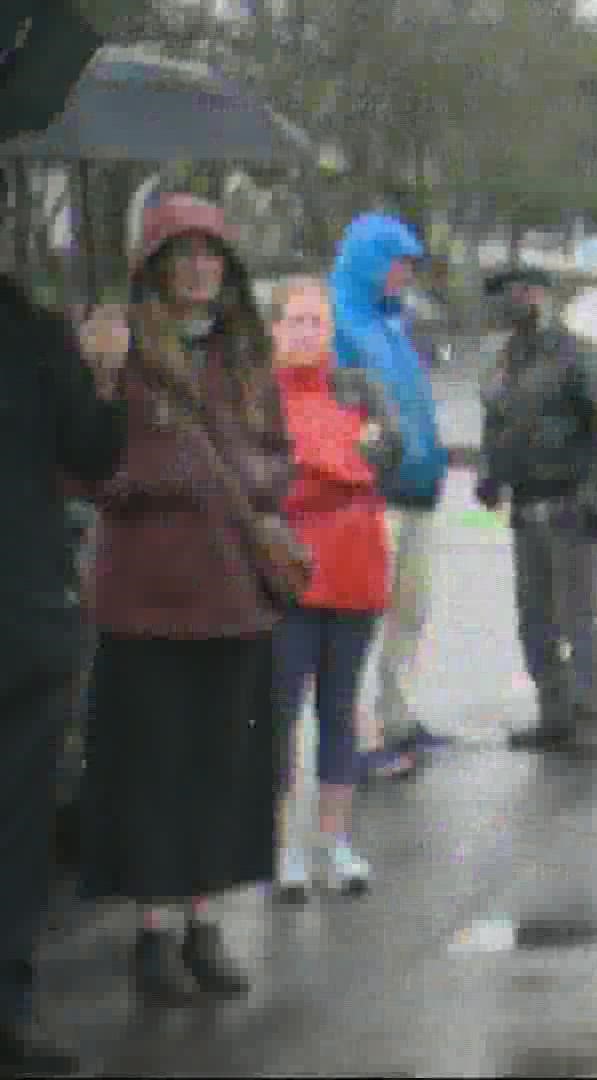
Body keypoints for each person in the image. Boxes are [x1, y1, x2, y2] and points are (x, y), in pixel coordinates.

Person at [77, 193, 293, 1005]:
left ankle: (203, 924)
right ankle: (152, 934)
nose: (199, 268)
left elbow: (278, 452)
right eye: (183, 253)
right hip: (149, 602)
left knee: (219, 771)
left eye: (212, 253)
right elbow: (85, 466)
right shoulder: (120, 352)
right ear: (156, 265)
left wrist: (255, 479)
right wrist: (107, 393)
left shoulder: (244, 354)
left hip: (236, 596)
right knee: (151, 773)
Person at [0, 274, 127, 1076]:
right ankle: (7, 1007)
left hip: (25, 617)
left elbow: (89, 453)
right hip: (24, 612)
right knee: (17, 824)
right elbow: (92, 451)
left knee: (19, 823)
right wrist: (103, 375)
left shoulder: (37, 334)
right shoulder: (36, 334)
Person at [265, 276, 403, 901]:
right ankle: (282, 848)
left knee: (340, 712)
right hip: (287, 577)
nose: (306, 331)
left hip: (356, 572)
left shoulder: (358, 387)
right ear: (274, 328)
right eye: (294, 320)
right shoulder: (257, 396)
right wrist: (344, 466)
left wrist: (336, 467)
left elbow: (392, 453)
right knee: (280, 715)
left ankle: (335, 843)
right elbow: (273, 483)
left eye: (315, 321)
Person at [475, 267, 597, 756]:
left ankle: (589, 722)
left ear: (541, 296)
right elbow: (499, 424)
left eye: (518, 293)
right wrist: (491, 474)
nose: (510, 303)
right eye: (503, 295)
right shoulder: (507, 360)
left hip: (571, 505)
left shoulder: (578, 356)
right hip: (526, 507)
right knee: (535, 620)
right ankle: (555, 716)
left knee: (577, 620)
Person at [330, 213, 452, 780]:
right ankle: (358, 736)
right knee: (365, 616)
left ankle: (396, 717)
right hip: (372, 495)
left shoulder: (393, 323)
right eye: (398, 262)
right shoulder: (340, 323)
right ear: (371, 262)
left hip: (417, 491)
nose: (405, 273)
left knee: (410, 611)